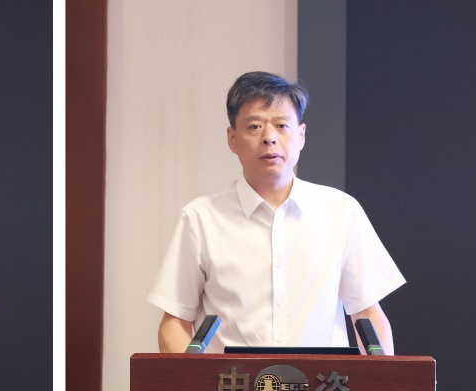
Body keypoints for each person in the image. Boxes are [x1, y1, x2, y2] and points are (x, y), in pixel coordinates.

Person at [149, 71, 404, 354]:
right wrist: (194, 381)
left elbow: (367, 314)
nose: (269, 138)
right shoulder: (201, 219)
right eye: (255, 126)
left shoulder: (341, 212)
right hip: (231, 381)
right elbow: (175, 322)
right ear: (232, 139)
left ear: (301, 135)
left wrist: (381, 380)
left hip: (325, 382)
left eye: (282, 126)